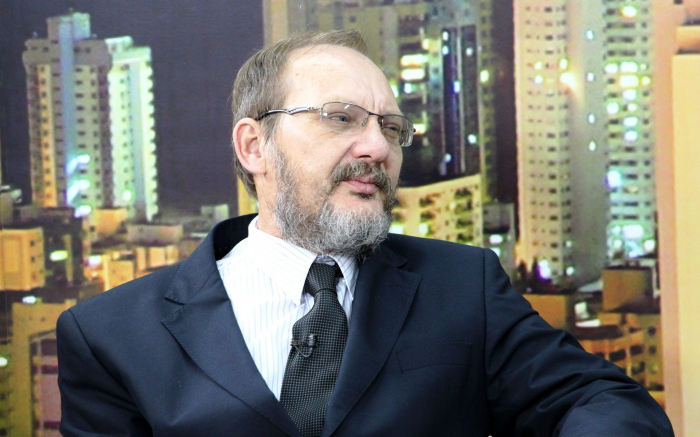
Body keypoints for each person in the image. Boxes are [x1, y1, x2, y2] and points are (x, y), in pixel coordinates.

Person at [56, 30, 673, 437]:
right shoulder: (113, 333)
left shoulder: (463, 286)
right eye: (341, 118)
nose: (377, 147)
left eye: (392, 128)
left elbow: (602, 403)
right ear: (254, 145)